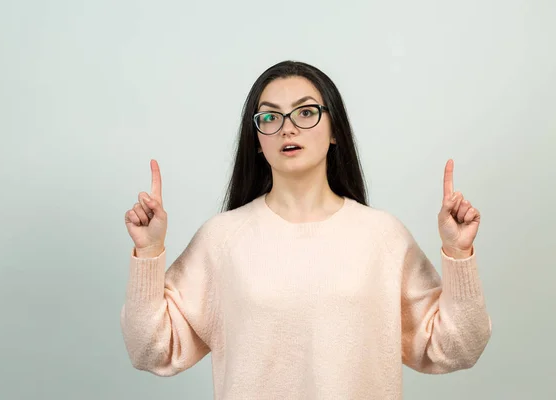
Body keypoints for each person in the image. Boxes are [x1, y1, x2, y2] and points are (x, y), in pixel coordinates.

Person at [120, 60, 492, 399]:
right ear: (257, 140)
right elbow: (151, 350)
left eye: (306, 112)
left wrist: (458, 254)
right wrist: (149, 253)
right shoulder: (222, 239)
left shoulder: (383, 237)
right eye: (270, 118)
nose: (288, 128)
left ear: (335, 131)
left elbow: (458, 347)